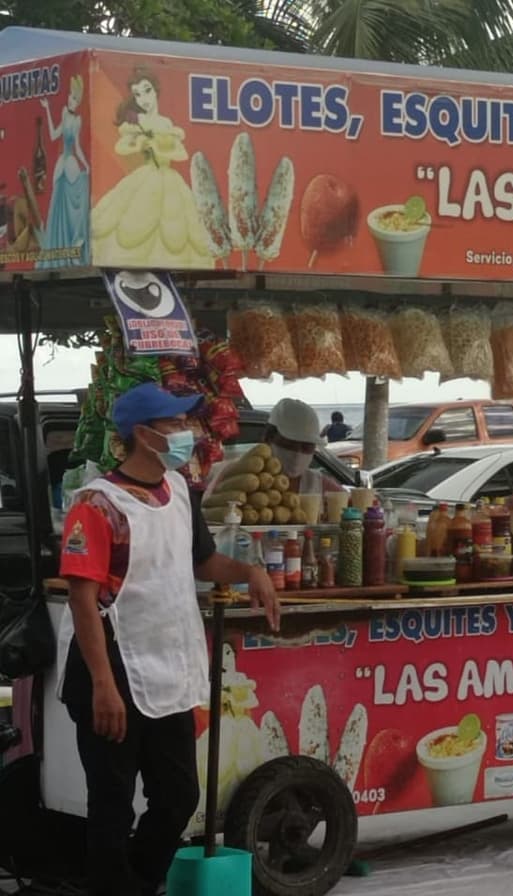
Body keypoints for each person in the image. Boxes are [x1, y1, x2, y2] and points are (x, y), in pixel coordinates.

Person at [58, 382, 279, 896]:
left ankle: (138, 883)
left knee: (178, 797)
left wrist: (251, 571)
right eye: (176, 425)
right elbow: (83, 600)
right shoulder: (98, 505)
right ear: (143, 434)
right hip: (110, 673)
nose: (189, 433)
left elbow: (202, 561)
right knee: (112, 806)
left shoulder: (178, 489)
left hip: (167, 672)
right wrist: (103, 686)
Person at [90, 66, 212, 268]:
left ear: (156, 91)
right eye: (137, 94)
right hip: (146, 177)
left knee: (177, 227)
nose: (144, 98)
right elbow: (121, 146)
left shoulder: (166, 123)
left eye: (147, 91)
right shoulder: (138, 122)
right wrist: (140, 144)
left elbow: (181, 153)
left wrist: (160, 148)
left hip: (168, 179)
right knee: (134, 219)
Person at [37, 74, 90, 268]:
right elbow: (53, 135)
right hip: (63, 164)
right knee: (57, 205)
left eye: (76, 98)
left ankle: (76, 241)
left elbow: (77, 147)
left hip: (70, 163)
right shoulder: (64, 113)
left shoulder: (78, 120)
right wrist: (48, 109)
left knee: (79, 192)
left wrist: (87, 165)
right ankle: (64, 248)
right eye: (71, 96)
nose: (72, 101)